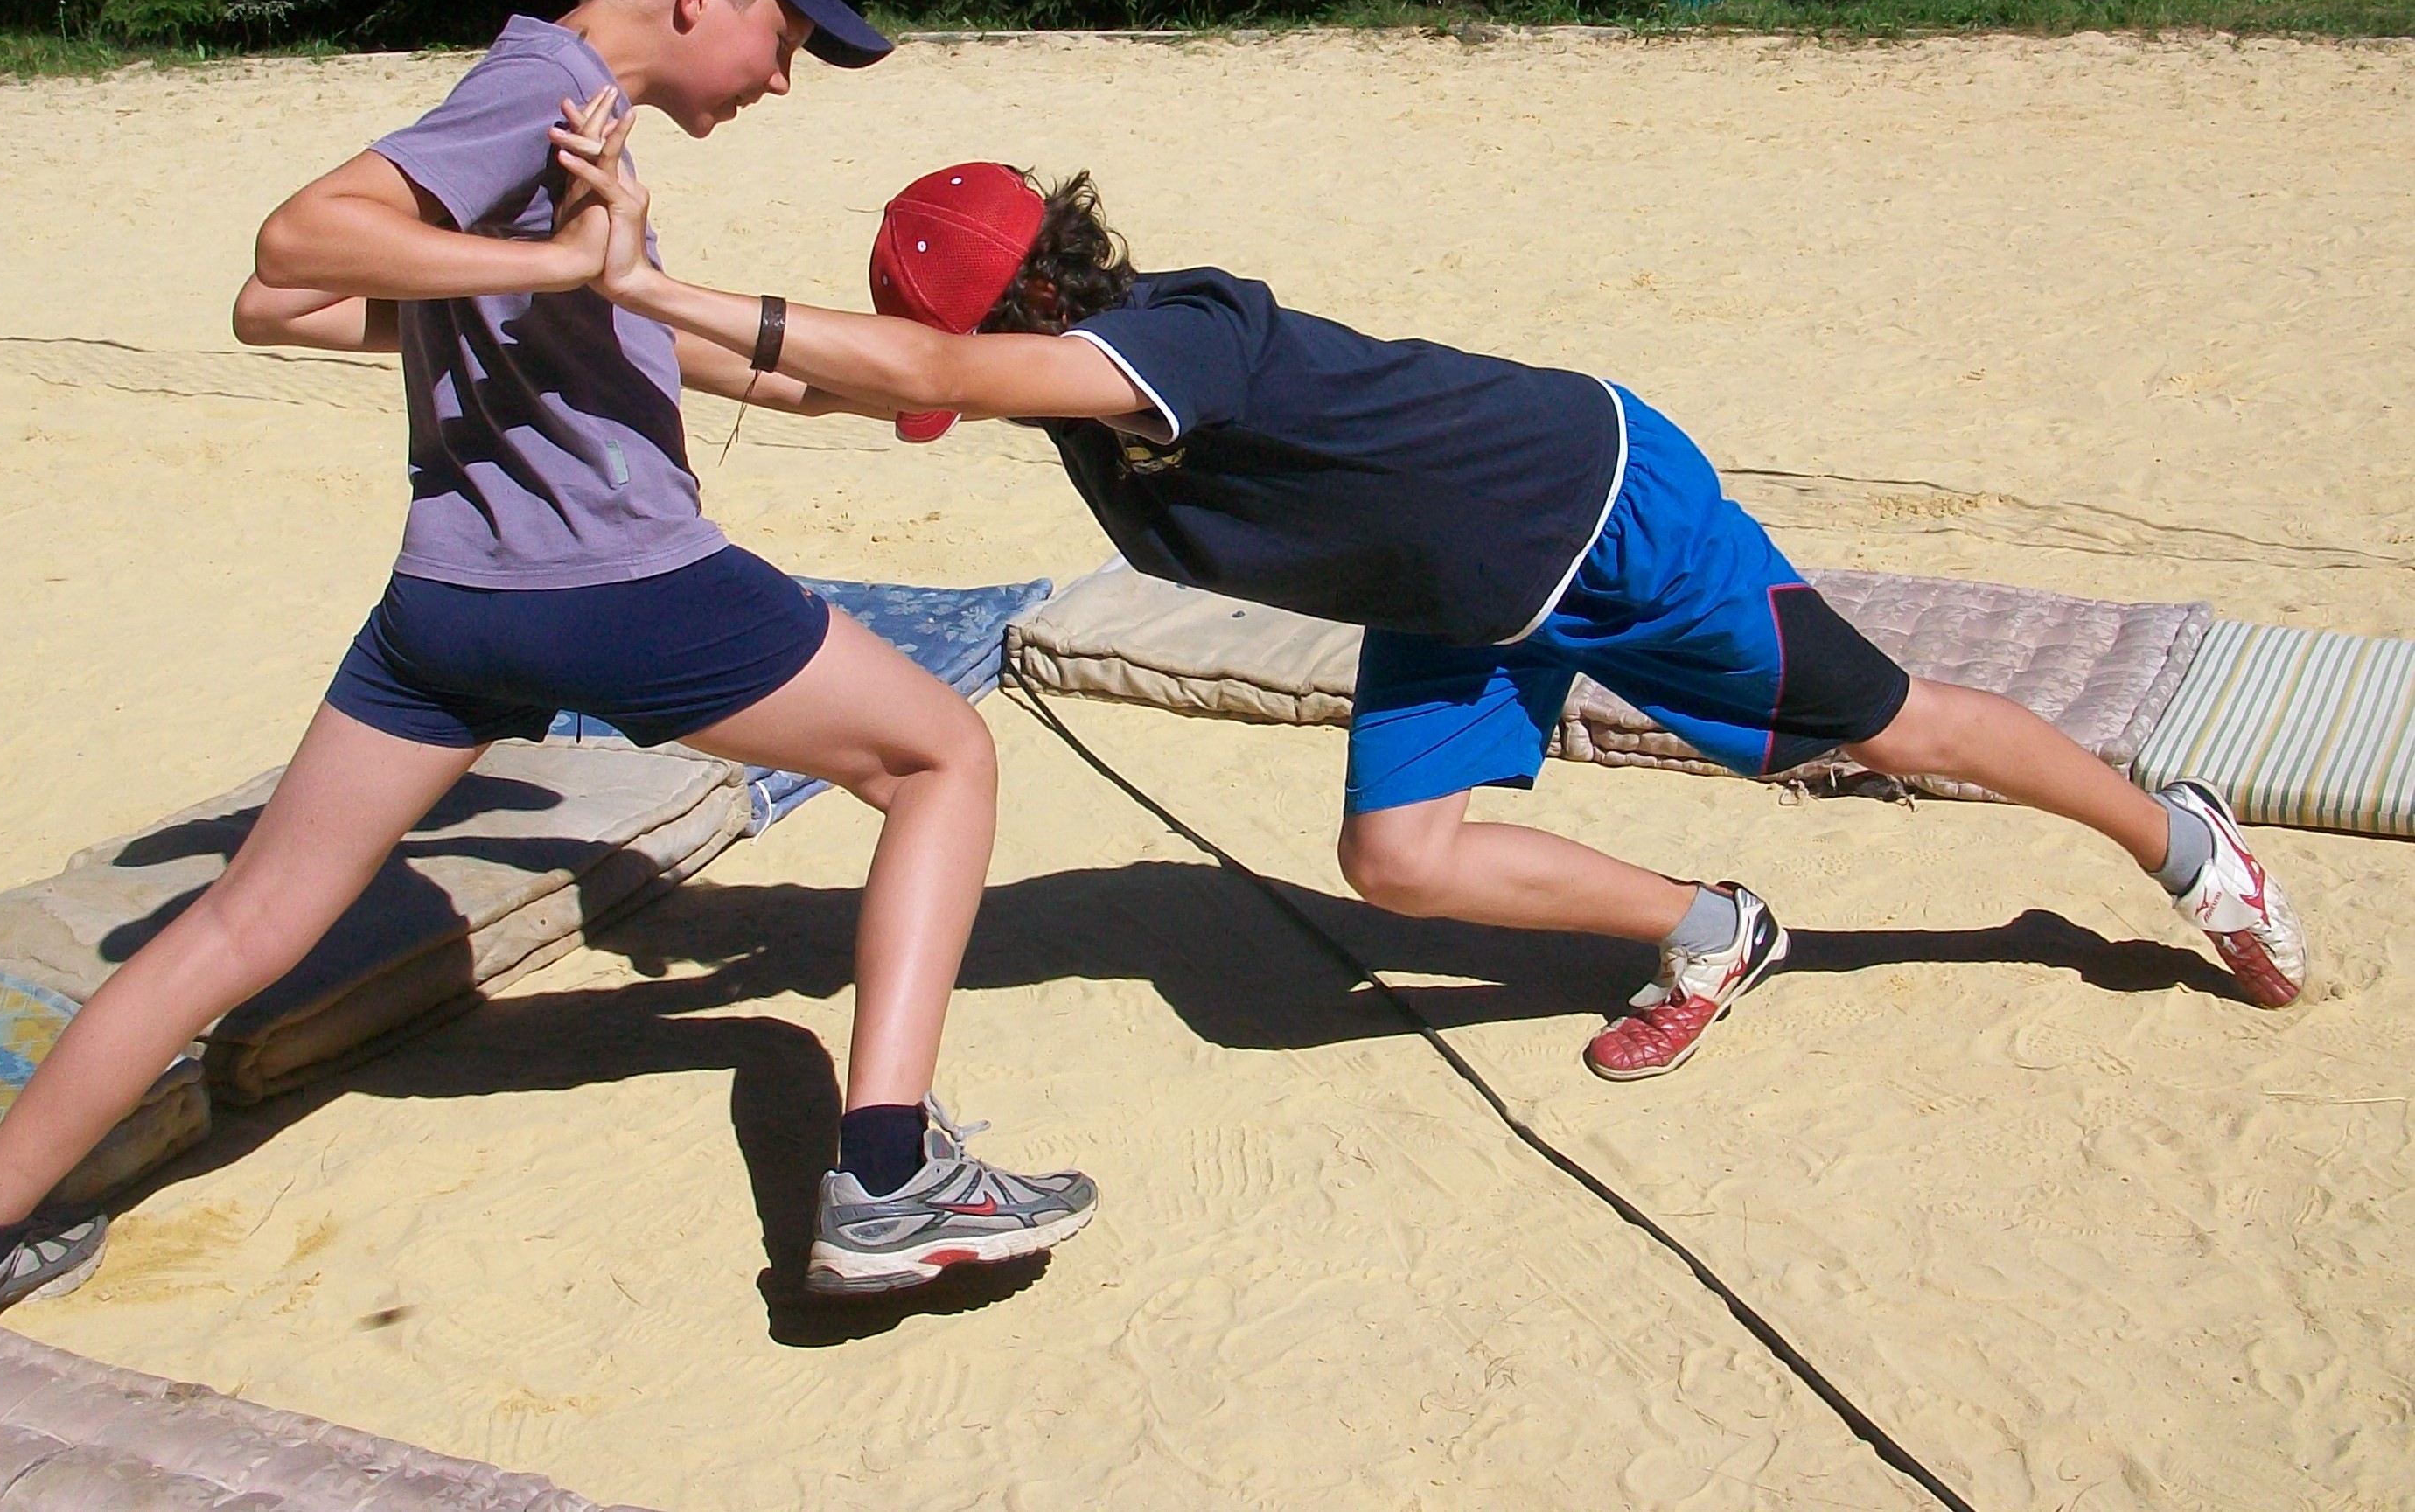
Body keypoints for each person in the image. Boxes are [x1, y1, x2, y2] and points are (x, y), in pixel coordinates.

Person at [0, 0, 1094, 1319]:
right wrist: (567, 260)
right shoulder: (546, 89)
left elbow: (281, 313)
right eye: (785, 38)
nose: (783, 77)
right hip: (622, 587)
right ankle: (888, 1175)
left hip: (448, 610)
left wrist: (854, 374)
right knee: (941, 757)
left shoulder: (557, 115)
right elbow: (295, 245)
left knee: (241, 923)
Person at [546, 130, 2310, 1083]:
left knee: (1897, 728)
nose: (939, 382)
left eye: (955, 353)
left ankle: (2182, 846)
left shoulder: (1174, 345)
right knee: (1397, 860)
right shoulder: (1073, 394)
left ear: (1013, 323)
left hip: (1597, 516)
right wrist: (594, 297)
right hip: (1447, 590)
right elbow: (843, 383)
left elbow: (920, 367)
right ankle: (1712, 928)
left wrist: (649, 279)